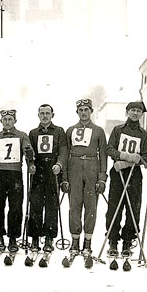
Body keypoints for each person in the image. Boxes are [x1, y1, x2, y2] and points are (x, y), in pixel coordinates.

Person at [61, 98, 107, 255]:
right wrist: (65, 178)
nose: (83, 113)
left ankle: (87, 242)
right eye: (80, 110)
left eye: (86, 110)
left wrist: (102, 178)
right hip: (74, 167)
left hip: (92, 168)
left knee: (91, 207)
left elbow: (103, 156)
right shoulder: (70, 130)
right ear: (77, 112)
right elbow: (65, 154)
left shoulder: (99, 131)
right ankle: (75, 241)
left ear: (91, 111)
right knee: (74, 206)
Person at [104, 101, 147, 257]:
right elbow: (109, 149)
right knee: (114, 207)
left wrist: (127, 162)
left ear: (141, 114)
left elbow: (146, 157)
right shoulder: (118, 130)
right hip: (117, 173)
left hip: (134, 174)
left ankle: (127, 240)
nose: (135, 113)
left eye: (138, 111)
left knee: (133, 208)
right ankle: (112, 240)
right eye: (132, 110)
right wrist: (123, 156)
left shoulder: (144, 134)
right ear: (127, 112)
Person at [0, 109, 35, 252]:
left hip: (15, 174)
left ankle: (13, 237)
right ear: (1, 121)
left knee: (15, 207)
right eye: (5, 119)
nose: (7, 122)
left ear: (15, 121)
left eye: (10, 119)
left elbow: (28, 151)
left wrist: (30, 159)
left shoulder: (21, 135)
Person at [27, 104, 68, 252]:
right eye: (42, 113)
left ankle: (49, 238)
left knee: (52, 206)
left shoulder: (59, 131)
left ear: (52, 115)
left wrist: (60, 164)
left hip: (53, 171)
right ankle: (35, 238)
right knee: (36, 205)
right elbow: (29, 151)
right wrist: (30, 163)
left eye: (47, 113)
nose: (45, 116)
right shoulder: (32, 133)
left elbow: (64, 150)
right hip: (38, 172)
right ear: (38, 115)